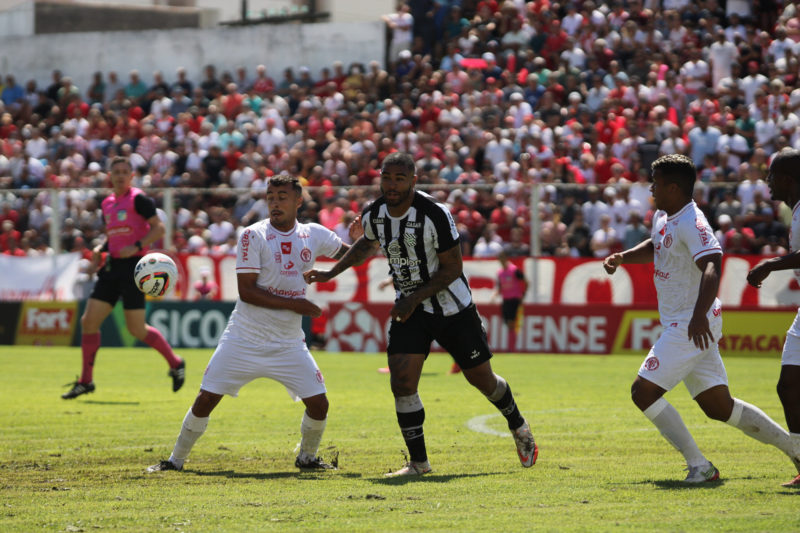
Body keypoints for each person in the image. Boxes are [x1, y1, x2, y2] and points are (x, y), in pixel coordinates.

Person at [304, 152, 537, 476]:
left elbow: (453, 268)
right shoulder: (376, 214)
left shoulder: (434, 214)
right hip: (410, 310)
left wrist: (413, 298)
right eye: (387, 178)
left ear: (413, 181)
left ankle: (518, 424)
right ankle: (419, 463)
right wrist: (331, 272)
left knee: (481, 379)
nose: (392, 185)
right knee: (402, 381)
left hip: (453, 309)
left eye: (400, 178)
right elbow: (365, 246)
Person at [603, 154, 800, 484]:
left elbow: (712, 263)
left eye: (656, 183)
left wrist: (697, 317)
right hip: (686, 321)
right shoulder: (665, 218)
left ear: (675, 187)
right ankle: (796, 451)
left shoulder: (693, 222)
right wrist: (624, 257)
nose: (651, 189)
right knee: (719, 407)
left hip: (690, 323)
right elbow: (658, 245)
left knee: (643, 392)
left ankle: (700, 466)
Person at [147, 174, 354, 473]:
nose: (275, 203)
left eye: (282, 197)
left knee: (320, 405)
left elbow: (354, 256)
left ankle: (307, 458)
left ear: (298, 200)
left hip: (288, 343)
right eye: (270, 197)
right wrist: (297, 304)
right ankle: (174, 461)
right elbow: (247, 291)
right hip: (244, 338)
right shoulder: (253, 235)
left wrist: (361, 242)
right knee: (206, 399)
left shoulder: (315, 234)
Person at [62, 157, 185, 399]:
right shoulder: (107, 203)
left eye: (124, 172)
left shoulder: (139, 199)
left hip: (134, 268)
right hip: (112, 266)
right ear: (110, 175)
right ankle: (86, 381)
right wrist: (101, 248)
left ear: (132, 176)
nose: (120, 176)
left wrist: (137, 245)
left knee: (136, 329)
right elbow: (115, 235)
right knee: (88, 322)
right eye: (116, 171)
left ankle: (175, 362)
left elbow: (159, 229)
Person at [745, 148, 800, 487]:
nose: (767, 183)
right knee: (789, 386)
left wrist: (770, 264)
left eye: (771, 176)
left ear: (788, 180)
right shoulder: (793, 212)